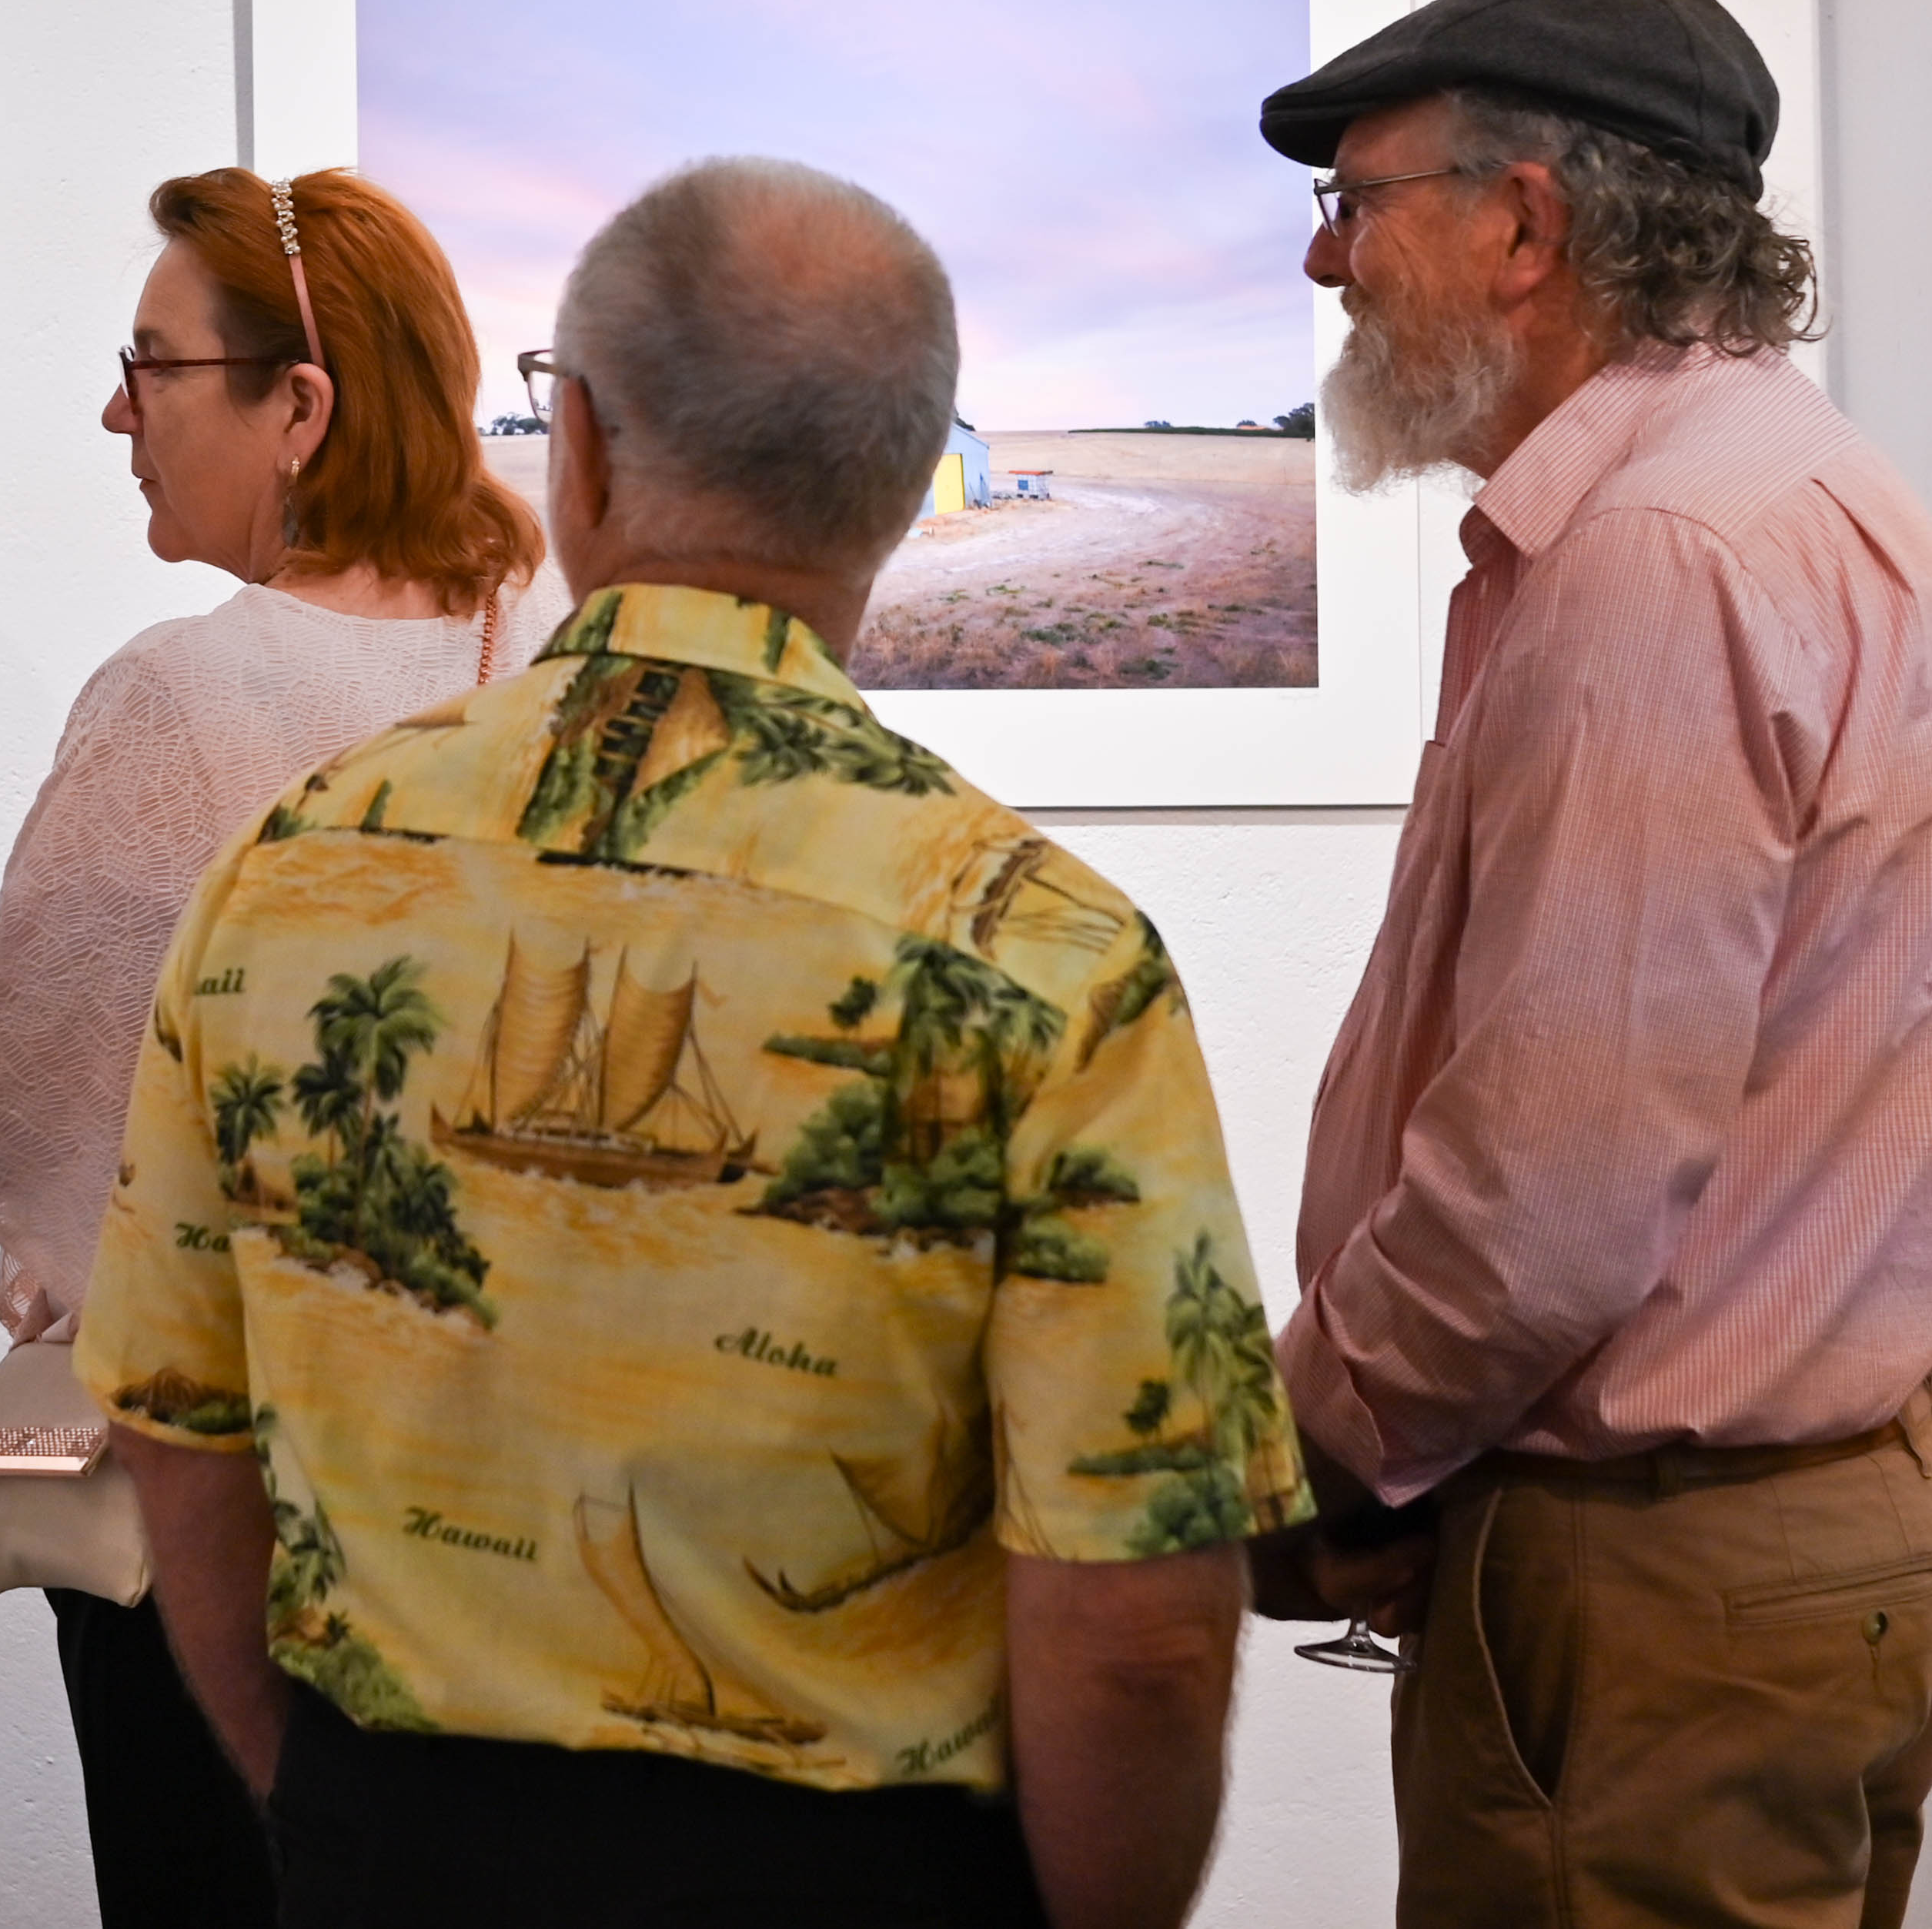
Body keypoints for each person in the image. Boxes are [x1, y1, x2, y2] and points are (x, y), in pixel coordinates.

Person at [75, 156, 1312, 1929]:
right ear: (897, 489)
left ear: (569, 450)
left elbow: (178, 1419)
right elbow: (1136, 1621)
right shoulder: (1050, 960)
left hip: (398, 1845)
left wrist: (333, 1803)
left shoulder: (293, 874)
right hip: (864, 1880)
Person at [1243, 0, 1932, 1927]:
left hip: (1663, 1581)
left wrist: (1295, 1456)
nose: (1330, 265)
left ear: (1527, 225)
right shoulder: (1779, 491)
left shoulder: (1660, 559)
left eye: (1359, 199)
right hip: (1777, 1551)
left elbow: (1544, 1204)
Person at [0, 165, 560, 1927]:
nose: (112, 412)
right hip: (523, 1513)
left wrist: (65, 1246)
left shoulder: (187, 693)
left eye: (151, 366)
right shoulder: (571, 662)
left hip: (218, 1519)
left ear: (300, 408)